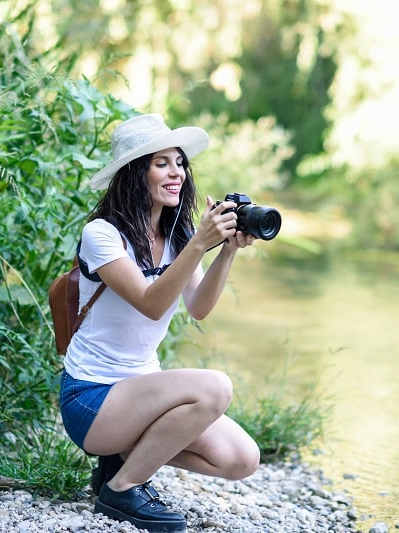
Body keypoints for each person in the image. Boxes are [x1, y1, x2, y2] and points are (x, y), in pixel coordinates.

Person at [59, 113, 261, 533]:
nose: (178, 174)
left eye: (180, 163)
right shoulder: (102, 234)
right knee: (216, 386)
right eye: (162, 163)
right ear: (136, 172)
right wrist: (199, 244)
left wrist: (225, 250)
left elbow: (200, 307)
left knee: (242, 459)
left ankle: (120, 461)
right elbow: (151, 305)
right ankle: (122, 488)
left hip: (142, 394)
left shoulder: (177, 234)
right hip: (92, 398)